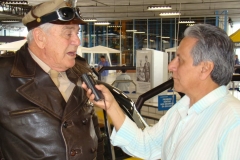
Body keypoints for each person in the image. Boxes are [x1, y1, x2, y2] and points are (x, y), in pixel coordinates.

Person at [82, 24, 240, 160]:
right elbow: (146, 145)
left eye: (180, 59)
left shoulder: (233, 121)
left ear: (205, 68)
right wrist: (112, 106)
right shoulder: (182, 109)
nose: (171, 66)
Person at [0, 0, 104, 159]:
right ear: (40, 38)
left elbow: (96, 137)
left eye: (77, 33)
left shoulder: (82, 72)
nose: (77, 41)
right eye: (68, 33)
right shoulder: (4, 77)